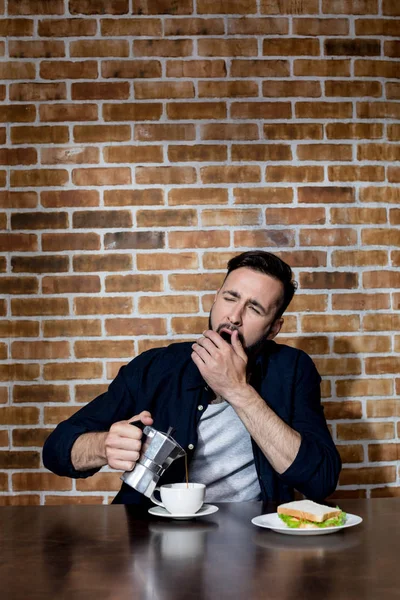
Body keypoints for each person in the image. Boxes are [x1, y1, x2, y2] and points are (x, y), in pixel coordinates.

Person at [43, 251, 341, 505]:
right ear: (215, 299)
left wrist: (237, 390)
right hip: (153, 537)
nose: (234, 316)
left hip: (253, 542)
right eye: (230, 298)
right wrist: (104, 446)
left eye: (254, 308)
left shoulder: (292, 370)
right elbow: (56, 450)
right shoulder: (156, 367)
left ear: (274, 328)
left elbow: (320, 480)